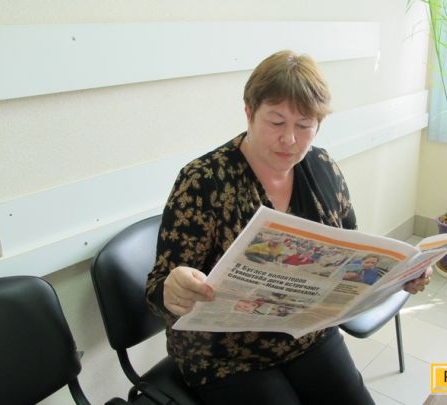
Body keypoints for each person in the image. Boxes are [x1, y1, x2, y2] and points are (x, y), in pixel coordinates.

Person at [145, 50, 432, 405]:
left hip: (307, 334)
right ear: (249, 113)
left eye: (304, 125)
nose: (290, 140)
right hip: (226, 354)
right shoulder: (204, 181)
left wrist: (402, 273)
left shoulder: (322, 167)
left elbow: (354, 254)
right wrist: (172, 289)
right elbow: (158, 287)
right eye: (276, 122)